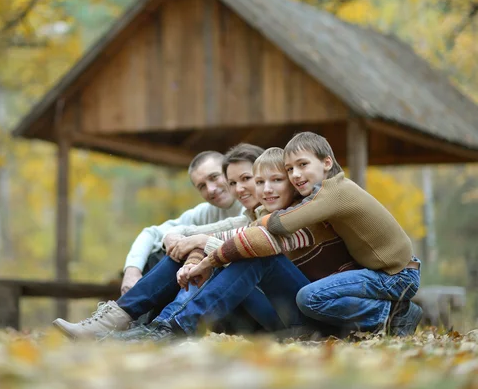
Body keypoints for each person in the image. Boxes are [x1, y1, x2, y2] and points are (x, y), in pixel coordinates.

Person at [178, 132, 422, 339]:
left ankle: (390, 315)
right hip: (384, 271)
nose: (295, 174)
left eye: (302, 165)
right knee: (308, 296)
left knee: (310, 297)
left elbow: (283, 223)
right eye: (290, 169)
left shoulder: (333, 192)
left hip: (396, 275)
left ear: (327, 163)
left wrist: (258, 218)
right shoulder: (325, 193)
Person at [114, 146, 357, 342]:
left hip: (320, 318)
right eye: (260, 182)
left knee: (253, 255)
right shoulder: (259, 215)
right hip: (282, 315)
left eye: (273, 180)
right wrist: (188, 244)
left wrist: (205, 251)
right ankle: (134, 321)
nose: (265, 189)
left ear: (290, 181)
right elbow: (206, 233)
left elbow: (254, 242)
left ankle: (172, 326)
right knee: (212, 252)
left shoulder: (305, 211)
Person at [53, 144, 279, 339]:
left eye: (247, 179)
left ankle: (149, 326)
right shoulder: (240, 213)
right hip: (227, 301)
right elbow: (161, 233)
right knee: (171, 252)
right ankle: (131, 322)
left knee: (199, 253)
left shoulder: (271, 211)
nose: (237, 188)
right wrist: (143, 262)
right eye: (202, 185)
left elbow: (242, 244)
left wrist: (196, 249)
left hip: (260, 305)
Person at [121, 150, 243, 295]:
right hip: (208, 289)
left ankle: (131, 310)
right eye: (202, 186)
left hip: (245, 288)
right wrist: (132, 271)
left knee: (192, 255)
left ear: (229, 171)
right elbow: (151, 233)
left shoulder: (253, 205)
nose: (211, 189)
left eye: (214, 177)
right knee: (164, 254)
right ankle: (135, 311)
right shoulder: (205, 212)